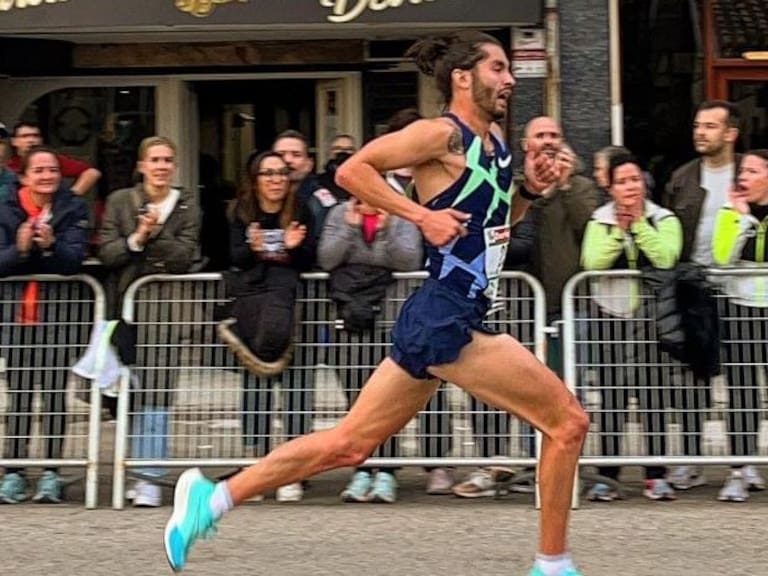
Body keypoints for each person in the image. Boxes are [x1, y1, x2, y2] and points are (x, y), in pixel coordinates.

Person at [164, 32, 588, 576]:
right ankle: (552, 566)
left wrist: (529, 187)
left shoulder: (496, 141)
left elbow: (496, 224)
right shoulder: (439, 134)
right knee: (567, 422)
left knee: (349, 445)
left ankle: (211, 499)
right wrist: (421, 217)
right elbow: (351, 171)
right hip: (446, 316)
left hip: (449, 314)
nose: (509, 80)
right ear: (463, 77)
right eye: (498, 68)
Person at [99, 136, 201, 507]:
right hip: (124, 310)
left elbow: (185, 256)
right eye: (155, 160)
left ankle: (150, 477)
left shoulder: (186, 206)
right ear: (142, 165)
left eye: (168, 160)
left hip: (167, 313)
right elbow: (108, 252)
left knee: (158, 393)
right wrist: (136, 238)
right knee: (124, 395)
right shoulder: (119, 202)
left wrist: (156, 236)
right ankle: (130, 467)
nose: (161, 166)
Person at [580, 152, 683, 501]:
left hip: (652, 317)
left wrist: (638, 226)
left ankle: (656, 474)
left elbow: (666, 257)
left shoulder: (663, 217)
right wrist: (618, 233)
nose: (630, 187)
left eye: (635, 180)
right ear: (610, 187)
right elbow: (592, 261)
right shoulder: (600, 220)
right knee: (612, 396)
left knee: (653, 394)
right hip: (610, 314)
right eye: (622, 181)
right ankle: (609, 475)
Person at [218, 150, 315, 502]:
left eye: (281, 173)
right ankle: (255, 465)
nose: (275, 179)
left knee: (296, 387)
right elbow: (233, 259)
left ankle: (293, 470)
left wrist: (292, 248)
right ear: (255, 179)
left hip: (291, 306)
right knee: (255, 384)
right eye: (267, 173)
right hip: (253, 306)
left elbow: (310, 257)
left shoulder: (301, 209)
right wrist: (254, 249)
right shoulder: (239, 213)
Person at [318, 194, 423, 503]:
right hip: (349, 315)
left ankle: (387, 470)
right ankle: (361, 468)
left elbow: (408, 259)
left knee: (388, 397)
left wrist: (386, 228)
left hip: (390, 317)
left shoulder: (400, 212)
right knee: (356, 395)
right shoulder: (339, 213)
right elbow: (327, 258)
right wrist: (351, 229)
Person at [0, 145, 89, 503]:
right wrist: (19, 250)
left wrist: (51, 247)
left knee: (54, 397)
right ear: (24, 176)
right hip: (18, 318)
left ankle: (51, 471)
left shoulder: (72, 208)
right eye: (39, 170)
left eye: (52, 169)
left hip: (57, 318)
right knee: (19, 397)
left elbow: (75, 261)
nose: (47, 176)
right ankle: (14, 471)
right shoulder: (6, 209)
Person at [662, 99, 741, 491]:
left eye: (710, 126)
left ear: (730, 134)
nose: (701, 133)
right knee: (693, 379)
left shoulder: (751, 175)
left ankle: (742, 465)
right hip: (693, 289)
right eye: (698, 125)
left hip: (741, 289)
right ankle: (691, 459)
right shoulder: (682, 178)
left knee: (743, 378)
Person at [711, 149, 768, 502]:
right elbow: (722, 256)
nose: (743, 177)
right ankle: (740, 467)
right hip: (741, 308)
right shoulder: (729, 213)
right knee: (742, 391)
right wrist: (742, 218)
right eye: (741, 170)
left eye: (752, 170)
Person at [8, 121, 101, 197]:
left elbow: (92, 172)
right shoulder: (6, 162)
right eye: (25, 136)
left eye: (35, 136)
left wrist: (71, 195)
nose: (31, 140)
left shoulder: (51, 160)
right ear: (14, 141)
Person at [318, 133, 357, 200]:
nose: (343, 152)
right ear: (330, 152)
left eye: (349, 149)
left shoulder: (363, 180)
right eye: (338, 148)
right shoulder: (319, 182)